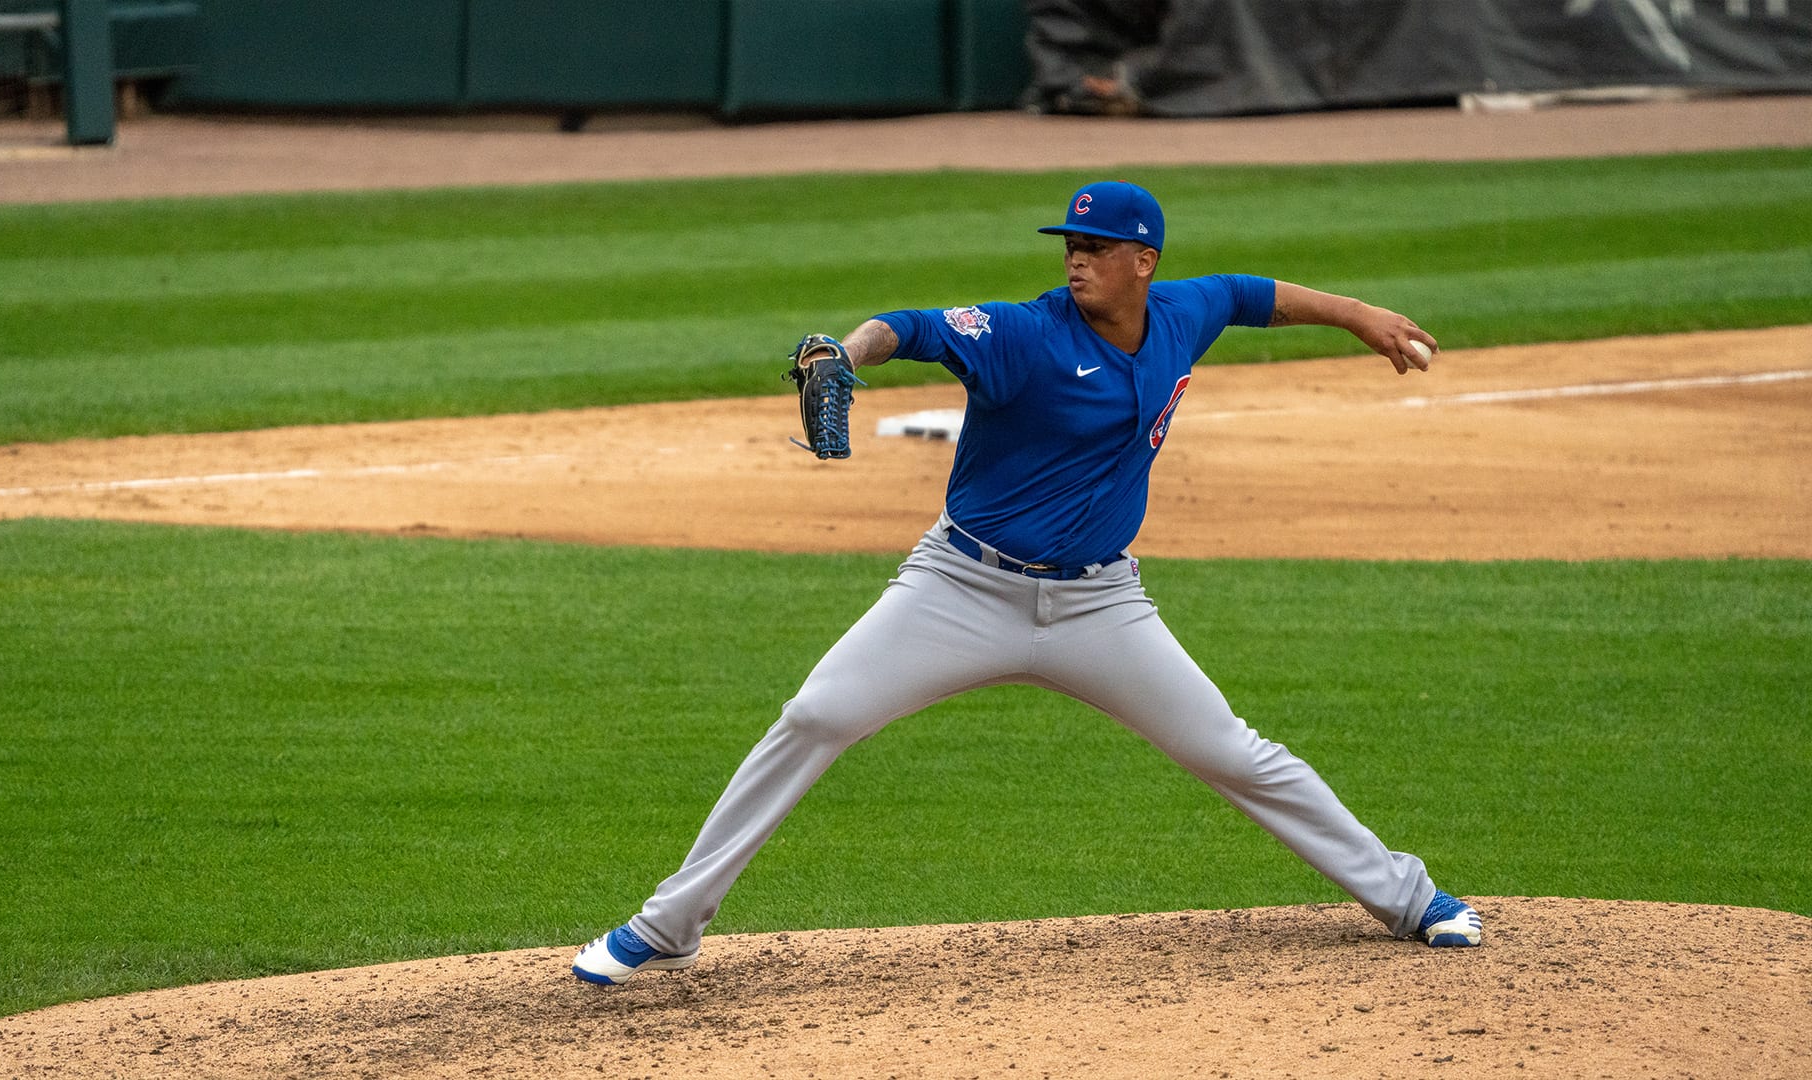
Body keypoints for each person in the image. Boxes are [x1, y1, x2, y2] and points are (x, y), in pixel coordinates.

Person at [572, 180, 1482, 986]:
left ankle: (1409, 897)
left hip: (1100, 605)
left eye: (1095, 248)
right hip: (959, 589)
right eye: (1070, 246)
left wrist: (1357, 313)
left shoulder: (1181, 313)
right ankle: (671, 924)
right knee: (816, 716)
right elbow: (911, 328)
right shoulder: (1024, 333)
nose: (1076, 260)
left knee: (1231, 752)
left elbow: (1254, 296)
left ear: (1143, 263)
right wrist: (847, 352)